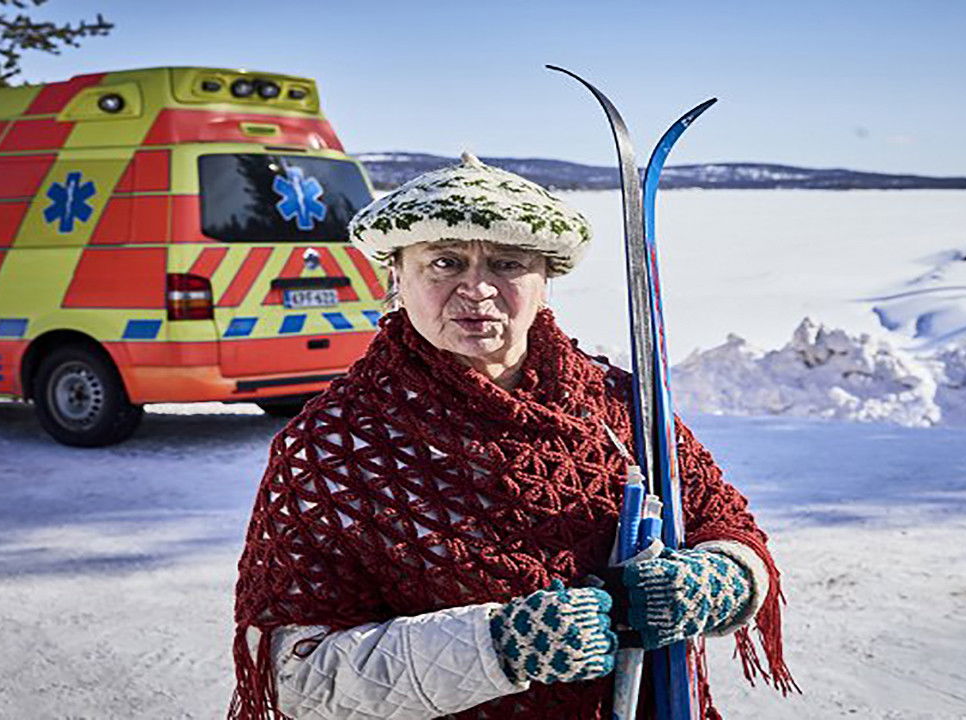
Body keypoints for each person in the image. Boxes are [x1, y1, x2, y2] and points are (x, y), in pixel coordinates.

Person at [229, 153, 794, 720]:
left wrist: (718, 580)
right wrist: (500, 645)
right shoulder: (334, 445)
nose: (477, 290)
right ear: (397, 275)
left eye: (507, 264)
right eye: (445, 262)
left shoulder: (621, 404)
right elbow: (295, 675)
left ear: (545, 280)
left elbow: (727, 527)